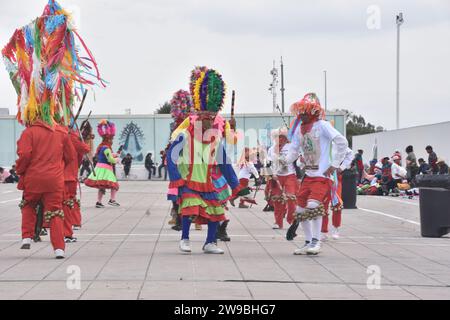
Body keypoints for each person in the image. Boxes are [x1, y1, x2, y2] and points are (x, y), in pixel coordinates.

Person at [167, 66, 241, 254]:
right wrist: (176, 177)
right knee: (190, 209)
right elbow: (171, 156)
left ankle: (210, 242)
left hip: (209, 181)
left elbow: (224, 161)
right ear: (197, 117)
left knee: (216, 212)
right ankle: (184, 239)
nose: (208, 121)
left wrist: (236, 184)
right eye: (205, 117)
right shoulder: (185, 134)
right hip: (189, 179)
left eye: (211, 118)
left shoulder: (215, 137)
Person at [285, 93, 349, 256]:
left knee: (313, 206)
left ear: (313, 111)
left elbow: (342, 142)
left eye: (305, 111)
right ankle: (308, 242)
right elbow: (293, 149)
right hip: (309, 176)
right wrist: (284, 160)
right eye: (300, 111)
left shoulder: (322, 125)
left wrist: (335, 165)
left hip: (322, 177)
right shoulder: (300, 130)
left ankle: (317, 241)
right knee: (300, 211)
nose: (301, 114)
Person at [85, 120, 120, 208]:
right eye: (111, 139)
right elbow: (110, 159)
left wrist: (114, 154)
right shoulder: (106, 148)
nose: (112, 141)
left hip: (101, 168)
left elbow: (106, 156)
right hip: (106, 169)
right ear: (108, 139)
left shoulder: (102, 147)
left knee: (102, 185)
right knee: (114, 184)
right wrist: (117, 159)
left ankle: (99, 202)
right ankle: (112, 200)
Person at [267, 127, 297, 230]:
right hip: (277, 176)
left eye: (282, 137)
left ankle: (291, 218)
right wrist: (272, 175)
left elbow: (297, 159)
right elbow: (267, 164)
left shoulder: (291, 147)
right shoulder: (272, 149)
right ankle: (278, 222)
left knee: (291, 197)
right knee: (277, 199)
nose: (280, 140)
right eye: (277, 137)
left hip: (290, 175)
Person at [321, 147, 353, 241]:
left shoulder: (337, 142)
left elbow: (350, 154)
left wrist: (342, 167)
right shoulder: (319, 141)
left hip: (335, 176)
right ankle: (323, 231)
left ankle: (335, 228)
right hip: (322, 176)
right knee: (322, 205)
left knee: (337, 203)